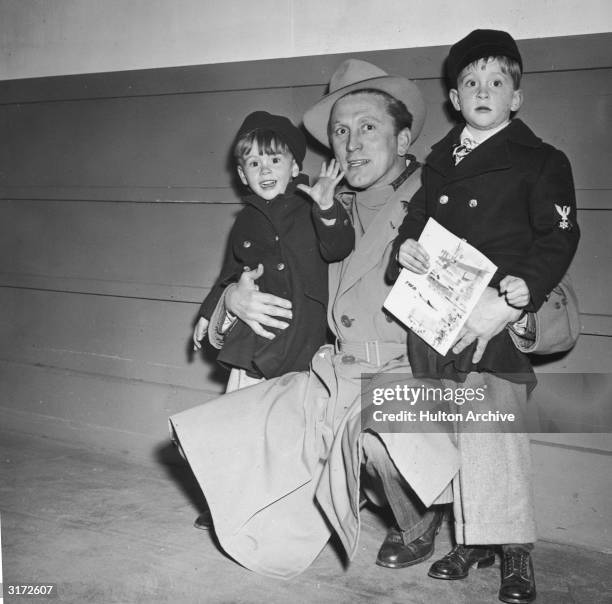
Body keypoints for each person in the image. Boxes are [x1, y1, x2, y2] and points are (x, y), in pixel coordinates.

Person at [170, 59, 467, 579]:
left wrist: (503, 308)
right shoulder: (319, 204)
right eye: (340, 132)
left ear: (402, 141)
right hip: (330, 372)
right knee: (212, 429)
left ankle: (415, 517)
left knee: (374, 435)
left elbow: (540, 300)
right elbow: (255, 268)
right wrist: (228, 305)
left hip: (410, 376)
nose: (351, 144)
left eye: (368, 128)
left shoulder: (439, 201)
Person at [388, 29, 580, 604]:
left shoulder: (542, 160)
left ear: (515, 98)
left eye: (496, 82)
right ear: (454, 97)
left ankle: (514, 549)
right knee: (455, 428)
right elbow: (417, 219)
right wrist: (405, 248)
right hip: (439, 314)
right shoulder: (439, 162)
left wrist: (524, 291)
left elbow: (559, 235)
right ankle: (472, 537)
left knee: (495, 431)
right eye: (470, 82)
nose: (483, 90)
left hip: (495, 313)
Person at [192, 110, 353, 388]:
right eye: (254, 163)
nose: (265, 170)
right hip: (254, 342)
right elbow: (230, 273)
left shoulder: (312, 205)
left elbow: (338, 248)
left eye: (275, 160)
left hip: (304, 338)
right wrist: (207, 313)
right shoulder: (246, 220)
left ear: (294, 168)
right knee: (243, 417)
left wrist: (326, 207)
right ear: (243, 175)